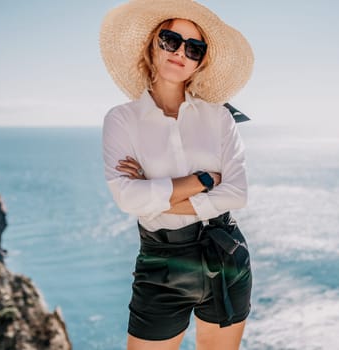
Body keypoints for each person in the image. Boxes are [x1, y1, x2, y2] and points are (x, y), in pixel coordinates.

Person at [99, 0, 254, 349]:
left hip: (225, 256)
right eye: (170, 40)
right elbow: (127, 197)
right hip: (160, 265)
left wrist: (154, 197)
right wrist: (203, 181)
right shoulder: (121, 119)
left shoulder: (218, 118)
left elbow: (237, 194)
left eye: (194, 48)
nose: (181, 52)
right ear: (152, 44)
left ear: (200, 61)